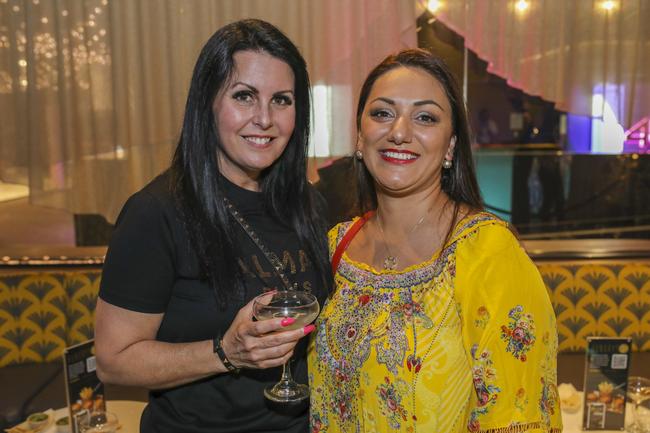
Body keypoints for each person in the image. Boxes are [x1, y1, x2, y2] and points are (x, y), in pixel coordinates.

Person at [94, 19, 331, 433]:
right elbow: (114, 362)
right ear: (208, 103)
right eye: (244, 96)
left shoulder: (309, 204)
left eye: (281, 100)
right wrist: (226, 352)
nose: (264, 119)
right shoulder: (157, 212)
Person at [308, 49, 562, 433]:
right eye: (382, 113)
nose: (399, 132)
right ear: (359, 135)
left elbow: (519, 416)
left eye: (425, 117)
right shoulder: (336, 246)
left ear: (450, 147)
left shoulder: (486, 252)